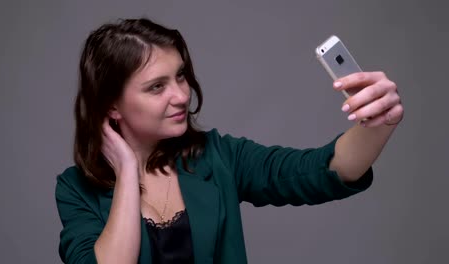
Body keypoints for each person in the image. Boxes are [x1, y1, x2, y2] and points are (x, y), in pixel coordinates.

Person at [55, 18, 404, 264]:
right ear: (112, 105)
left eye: (180, 76)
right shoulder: (75, 190)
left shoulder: (217, 156)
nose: (180, 95)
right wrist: (128, 170)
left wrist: (378, 124)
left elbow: (320, 170)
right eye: (156, 87)